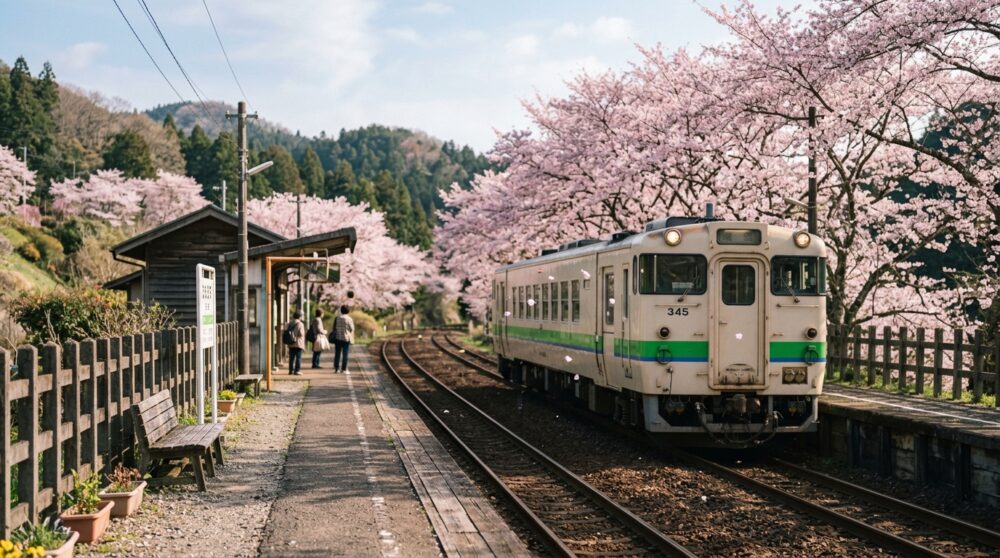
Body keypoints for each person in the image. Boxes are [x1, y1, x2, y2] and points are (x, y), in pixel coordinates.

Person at [333, 305, 355, 374]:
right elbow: (352, 329)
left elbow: (334, 328)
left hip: (338, 338)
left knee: (337, 354)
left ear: (341, 310)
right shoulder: (349, 319)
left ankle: (336, 369)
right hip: (346, 338)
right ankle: (344, 369)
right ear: (348, 311)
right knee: (345, 354)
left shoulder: (337, 318)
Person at [285, 310, 306, 375]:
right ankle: (297, 370)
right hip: (298, 343)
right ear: (300, 316)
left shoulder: (290, 323)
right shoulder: (300, 324)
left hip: (291, 343)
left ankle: (291, 370)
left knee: (291, 358)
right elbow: (301, 334)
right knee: (298, 357)